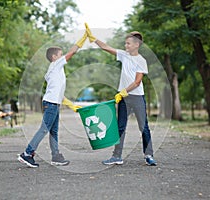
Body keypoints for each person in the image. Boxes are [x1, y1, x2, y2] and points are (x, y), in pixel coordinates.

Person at [85, 23, 157, 166]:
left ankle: (148, 155)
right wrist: (93, 39)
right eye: (125, 43)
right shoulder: (124, 55)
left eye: (128, 43)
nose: (126, 46)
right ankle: (117, 156)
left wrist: (124, 91)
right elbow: (106, 47)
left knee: (143, 126)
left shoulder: (141, 61)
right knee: (120, 127)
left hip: (136, 97)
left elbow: (137, 82)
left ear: (136, 45)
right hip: (123, 98)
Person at [18, 33, 87, 168]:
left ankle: (56, 156)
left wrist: (72, 106)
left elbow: (59, 94)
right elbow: (72, 52)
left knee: (53, 131)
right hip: (51, 104)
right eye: (61, 54)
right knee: (44, 129)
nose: (63, 57)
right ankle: (27, 153)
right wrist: (83, 38)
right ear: (54, 57)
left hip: (53, 103)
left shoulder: (57, 71)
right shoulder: (56, 64)